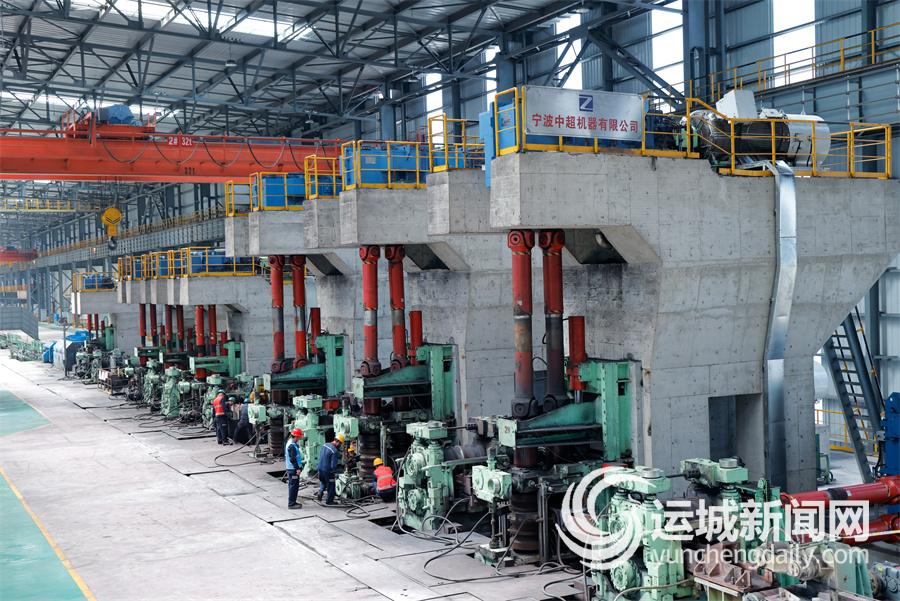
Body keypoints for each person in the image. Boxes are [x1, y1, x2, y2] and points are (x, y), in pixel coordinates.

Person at [316, 434, 344, 505]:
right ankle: (329, 501)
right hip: (327, 471)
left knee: (323, 481)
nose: (340, 445)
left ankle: (320, 492)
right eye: (340, 444)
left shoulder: (325, 445)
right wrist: (335, 472)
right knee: (331, 485)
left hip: (320, 468)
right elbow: (333, 465)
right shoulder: (334, 451)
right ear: (338, 442)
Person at [285, 427, 304, 509]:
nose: (300, 439)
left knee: (292, 485)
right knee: (294, 487)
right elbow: (293, 459)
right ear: (296, 436)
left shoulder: (290, 443)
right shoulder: (292, 446)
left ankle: (293, 502)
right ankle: (292, 504)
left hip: (291, 468)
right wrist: (297, 469)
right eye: (299, 437)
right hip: (293, 469)